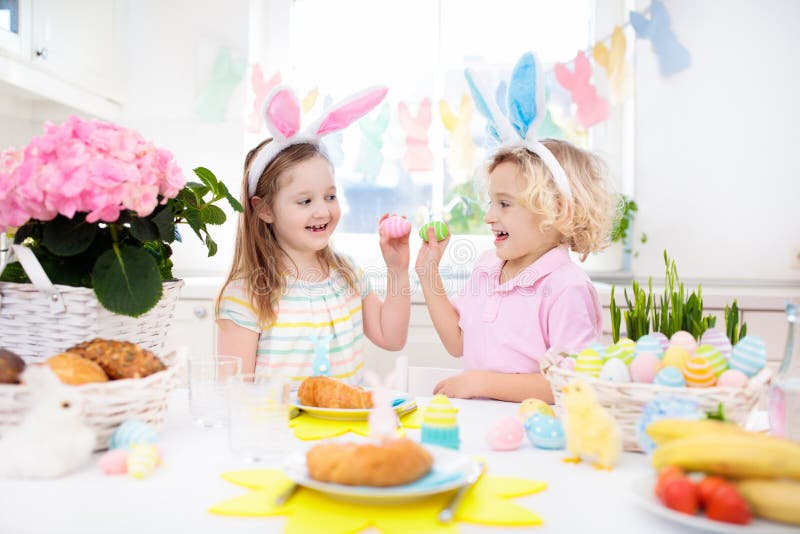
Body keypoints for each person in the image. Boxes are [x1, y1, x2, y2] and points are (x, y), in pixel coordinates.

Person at [415, 52, 615, 402]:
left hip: (537, 439)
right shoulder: (488, 268)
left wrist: (481, 383)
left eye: (504, 204)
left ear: (556, 211)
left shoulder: (567, 288)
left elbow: (574, 384)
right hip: (480, 427)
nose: (490, 216)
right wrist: (428, 272)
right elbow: (457, 342)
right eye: (491, 202)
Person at [215, 86, 410, 387]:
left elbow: (392, 337)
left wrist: (397, 269)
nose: (322, 211)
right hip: (280, 433)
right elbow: (233, 393)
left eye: (329, 196)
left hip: (345, 432)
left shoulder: (347, 274)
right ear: (264, 209)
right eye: (305, 201)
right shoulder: (248, 294)